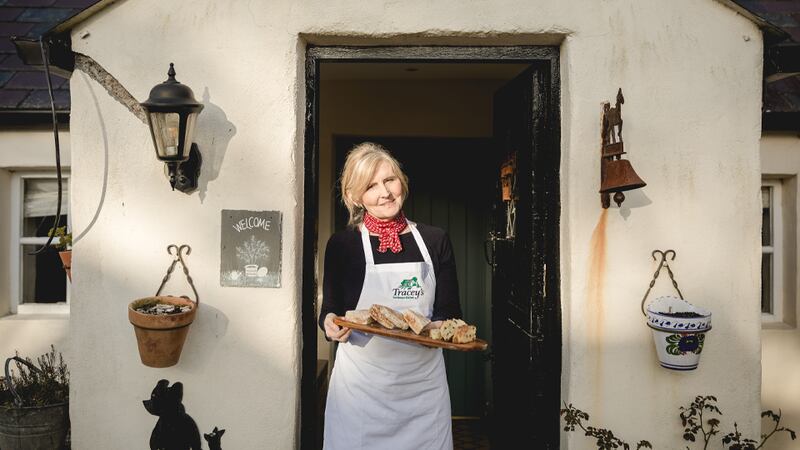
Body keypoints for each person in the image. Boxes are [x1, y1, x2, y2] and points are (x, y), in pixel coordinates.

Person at [319, 142, 462, 450]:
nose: (384, 192)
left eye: (389, 180)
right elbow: (330, 309)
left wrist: (442, 328)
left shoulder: (435, 240)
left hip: (422, 389)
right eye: (370, 186)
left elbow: (449, 312)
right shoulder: (342, 245)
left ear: (402, 183)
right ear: (356, 197)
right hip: (361, 390)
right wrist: (330, 323)